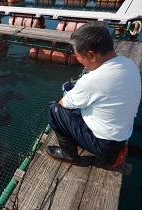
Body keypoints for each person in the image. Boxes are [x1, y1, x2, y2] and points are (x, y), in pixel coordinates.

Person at [45, 21, 141, 167]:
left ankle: (69, 154)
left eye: (78, 56)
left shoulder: (91, 81)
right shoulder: (130, 64)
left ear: (91, 55)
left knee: (55, 111)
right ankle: (115, 153)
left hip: (102, 143)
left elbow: (63, 104)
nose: (79, 61)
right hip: (122, 135)